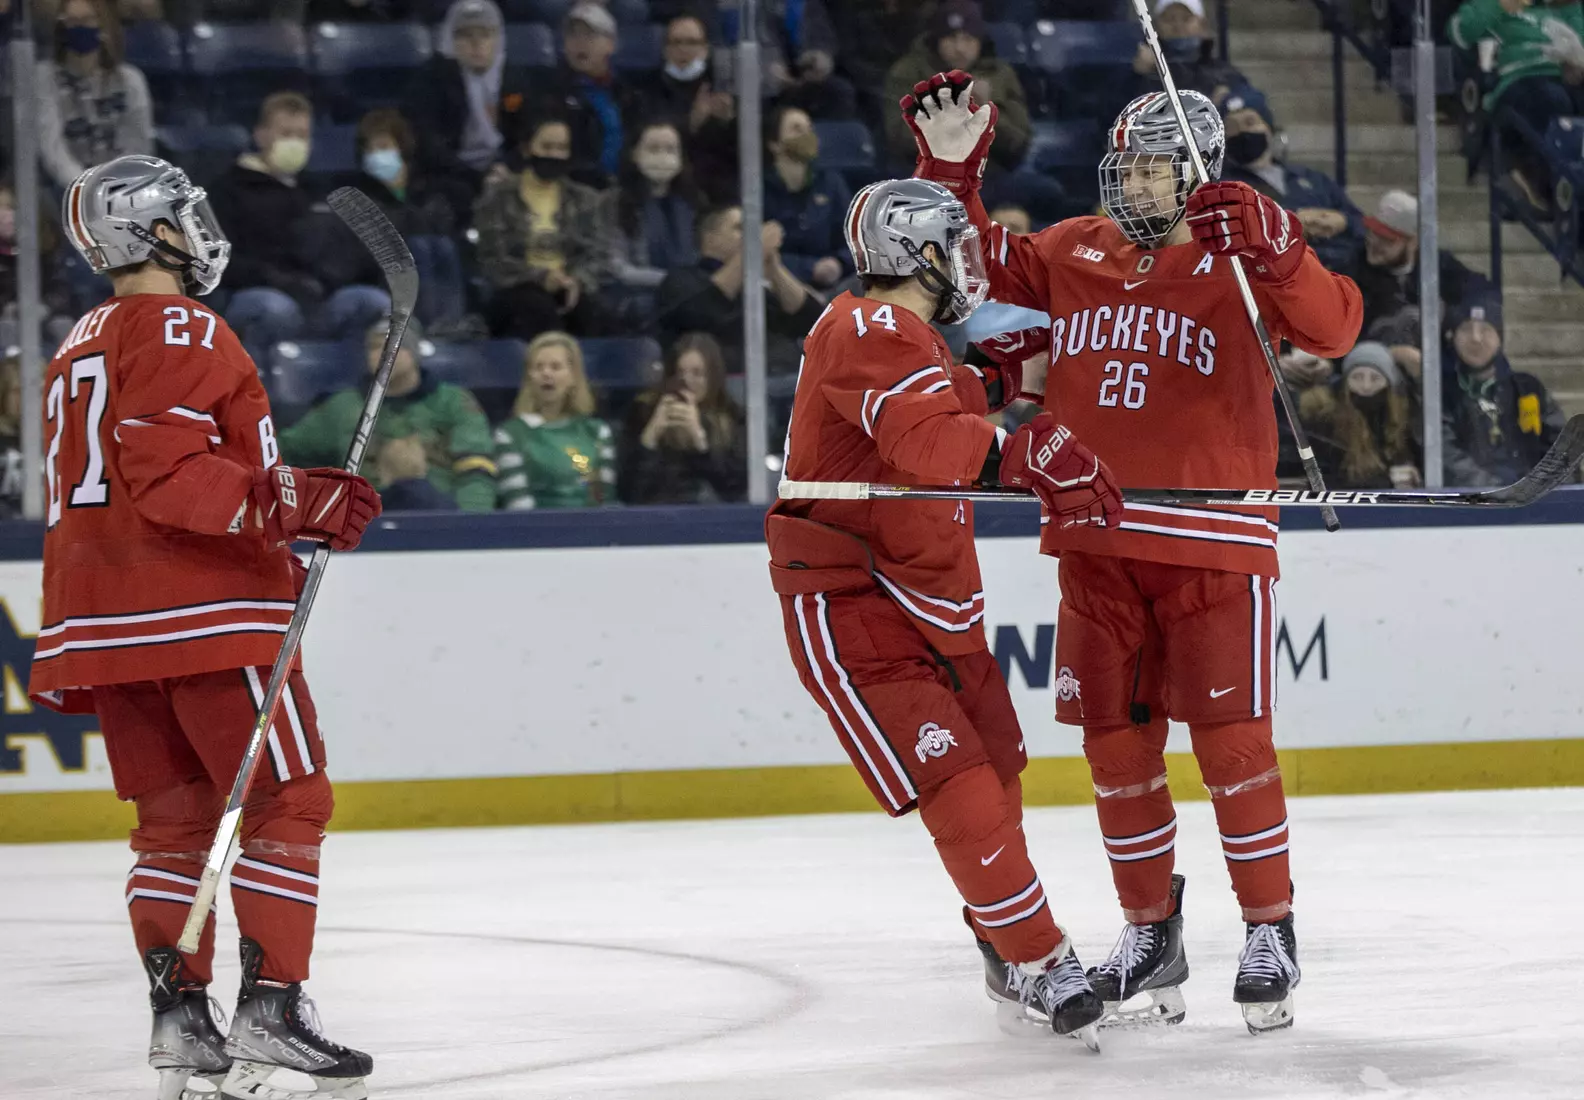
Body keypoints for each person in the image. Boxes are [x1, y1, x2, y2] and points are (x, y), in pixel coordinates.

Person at [905, 75, 1363, 1032]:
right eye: (1130, 168)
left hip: (1212, 541)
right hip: (1096, 539)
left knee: (1233, 743)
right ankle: (1151, 928)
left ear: (1198, 173)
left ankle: (1270, 928)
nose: (1139, 184)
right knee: (1114, 746)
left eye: (1157, 169)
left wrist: (1280, 247)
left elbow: (1335, 327)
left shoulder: (1243, 253)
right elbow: (973, 271)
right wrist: (950, 174)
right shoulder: (1075, 247)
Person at [31, 154, 379, 1099]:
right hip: (202, 612)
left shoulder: (78, 341)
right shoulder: (182, 323)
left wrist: (287, 499)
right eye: (182, 215)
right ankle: (272, 1009)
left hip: (103, 619)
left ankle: (181, 1023)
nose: (200, 228)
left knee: (173, 826)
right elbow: (173, 477)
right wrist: (298, 501)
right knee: (287, 799)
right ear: (151, 232)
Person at [767, 176, 1123, 1041]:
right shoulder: (865, 326)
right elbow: (927, 441)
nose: (967, 263)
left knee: (996, 771)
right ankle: (1042, 958)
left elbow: (949, 402)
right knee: (958, 782)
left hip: (932, 596)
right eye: (955, 248)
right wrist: (1023, 450)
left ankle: (1006, 949)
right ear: (917, 254)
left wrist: (1008, 383)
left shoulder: (908, 339)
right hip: (857, 597)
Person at [207, 91, 392, 353]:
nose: (295, 143)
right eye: (286, 134)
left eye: (302, 135)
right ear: (261, 136)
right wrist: (274, 278)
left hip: (319, 296)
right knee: (275, 309)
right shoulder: (228, 189)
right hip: (257, 292)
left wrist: (338, 273)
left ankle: (350, 377)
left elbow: (346, 251)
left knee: (372, 302)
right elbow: (218, 260)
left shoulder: (317, 191)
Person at [279, 317, 498, 511]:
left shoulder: (453, 402)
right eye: (375, 347)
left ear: (414, 352)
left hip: (437, 517)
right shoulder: (343, 407)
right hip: (365, 521)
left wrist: (468, 521)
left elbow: (475, 470)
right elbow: (283, 452)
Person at [473, 115, 613, 340]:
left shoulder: (584, 199)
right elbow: (494, 260)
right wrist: (542, 278)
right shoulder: (498, 198)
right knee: (537, 307)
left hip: (568, 283)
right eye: (547, 147)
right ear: (527, 149)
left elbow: (597, 254)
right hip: (516, 287)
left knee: (592, 311)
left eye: (562, 148)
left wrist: (576, 280)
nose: (554, 155)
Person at [655, 205, 824, 374]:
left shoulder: (757, 288)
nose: (752, 236)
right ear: (710, 238)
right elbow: (702, 311)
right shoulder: (681, 279)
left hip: (781, 377)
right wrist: (752, 251)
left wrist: (774, 267)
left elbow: (813, 321)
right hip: (723, 380)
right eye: (741, 228)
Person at [1450, 0, 1584, 210]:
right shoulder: (1490, 5)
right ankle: (1548, 188)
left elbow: (1580, 41)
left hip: (1563, 79)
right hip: (1518, 80)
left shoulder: (1559, 8)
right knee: (1549, 100)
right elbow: (1461, 32)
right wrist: (1500, 4)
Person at [1219, 86, 1363, 276]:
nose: (1243, 132)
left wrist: (1343, 221)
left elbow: (1361, 224)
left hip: (1339, 274)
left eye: (1250, 122)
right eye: (1232, 127)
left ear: (1268, 127)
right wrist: (1291, 223)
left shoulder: (1311, 178)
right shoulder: (1223, 188)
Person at [884, 2, 1030, 181]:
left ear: (980, 41)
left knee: (1044, 190)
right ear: (937, 40)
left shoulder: (1000, 74)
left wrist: (985, 111)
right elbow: (900, 138)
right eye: (951, 38)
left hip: (989, 173)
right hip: (927, 175)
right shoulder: (909, 72)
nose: (960, 47)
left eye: (968, 39)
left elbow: (1019, 143)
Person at [403, 0, 528, 208]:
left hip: (503, 171)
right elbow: (427, 141)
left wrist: (507, 166)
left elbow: (527, 133)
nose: (476, 44)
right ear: (450, 39)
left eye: (485, 35)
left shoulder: (513, 79)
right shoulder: (432, 79)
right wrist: (476, 176)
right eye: (466, 35)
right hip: (449, 174)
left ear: (498, 39)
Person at [1442, 293, 1568, 486]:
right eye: (1466, 329)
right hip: (1475, 500)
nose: (1476, 338)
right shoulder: (1443, 394)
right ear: (1452, 337)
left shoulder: (1526, 388)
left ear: (1500, 337)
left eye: (1485, 329)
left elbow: (1560, 446)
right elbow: (1447, 455)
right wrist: (1497, 492)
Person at [36, 0, 155, 193]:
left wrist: (115, 190)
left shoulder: (130, 80)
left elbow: (137, 146)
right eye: (72, 21)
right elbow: (53, 149)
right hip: (66, 191)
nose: (80, 27)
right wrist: (86, 189)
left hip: (121, 192)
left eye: (87, 20)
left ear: (103, 26)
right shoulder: (45, 77)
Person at [618, 331, 746, 503]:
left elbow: (735, 492)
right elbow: (627, 492)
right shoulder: (643, 413)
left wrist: (699, 441)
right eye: (680, 372)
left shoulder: (733, 416)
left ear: (713, 377)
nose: (686, 381)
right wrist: (651, 436)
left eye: (697, 373)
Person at [495, 331, 616, 508]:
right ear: (529, 377)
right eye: (538, 367)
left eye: (555, 367)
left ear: (573, 376)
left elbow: (605, 500)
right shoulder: (510, 435)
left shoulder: (598, 432)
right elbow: (518, 507)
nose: (546, 373)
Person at [631, 13, 740, 205]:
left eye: (692, 43)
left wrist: (730, 121)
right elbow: (647, 136)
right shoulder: (647, 88)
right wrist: (692, 122)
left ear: (705, 49)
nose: (683, 49)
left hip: (720, 184)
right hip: (670, 183)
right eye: (676, 42)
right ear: (665, 50)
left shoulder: (722, 87)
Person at [531, 3, 641, 184]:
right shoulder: (549, 91)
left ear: (611, 44)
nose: (579, 43)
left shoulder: (629, 91)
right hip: (572, 188)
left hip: (624, 186)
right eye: (572, 34)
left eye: (590, 35)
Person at [1351, 189, 1486, 333]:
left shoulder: (1436, 262)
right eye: (1372, 232)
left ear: (1413, 242)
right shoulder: (1353, 266)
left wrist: (1457, 318)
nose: (1374, 242)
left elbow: (1480, 289)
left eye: (1387, 239)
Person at [1299, 342, 1422, 489]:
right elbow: (1325, 479)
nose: (1366, 386)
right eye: (1357, 377)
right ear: (1346, 381)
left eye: (1375, 378)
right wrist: (1388, 482)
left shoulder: (1402, 421)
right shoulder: (1326, 421)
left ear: (1389, 383)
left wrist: (1412, 477)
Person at [763, 105, 853, 289]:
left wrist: (839, 262)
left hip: (832, 283)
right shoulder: (759, 188)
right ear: (775, 144)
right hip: (774, 283)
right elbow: (753, 248)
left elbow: (855, 237)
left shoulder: (831, 182)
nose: (807, 136)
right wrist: (809, 268)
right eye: (797, 129)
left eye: (809, 129)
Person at [610, 120, 703, 289]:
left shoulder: (693, 203)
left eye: (671, 149)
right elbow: (617, 268)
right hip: (635, 295)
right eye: (653, 149)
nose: (663, 156)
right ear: (634, 154)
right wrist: (672, 281)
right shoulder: (613, 203)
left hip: (690, 294)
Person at [1131, 0, 1246, 108]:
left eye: (1186, 19)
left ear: (1203, 25)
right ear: (1156, 27)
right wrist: (1138, 75)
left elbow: (1250, 99)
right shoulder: (1142, 71)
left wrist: (1227, 101)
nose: (1178, 26)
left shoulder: (1221, 71)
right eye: (1169, 19)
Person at [760, 0, 857, 120]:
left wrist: (820, 55)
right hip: (767, 85)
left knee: (840, 92)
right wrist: (770, 68)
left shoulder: (810, 4)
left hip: (807, 78)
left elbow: (823, 37)